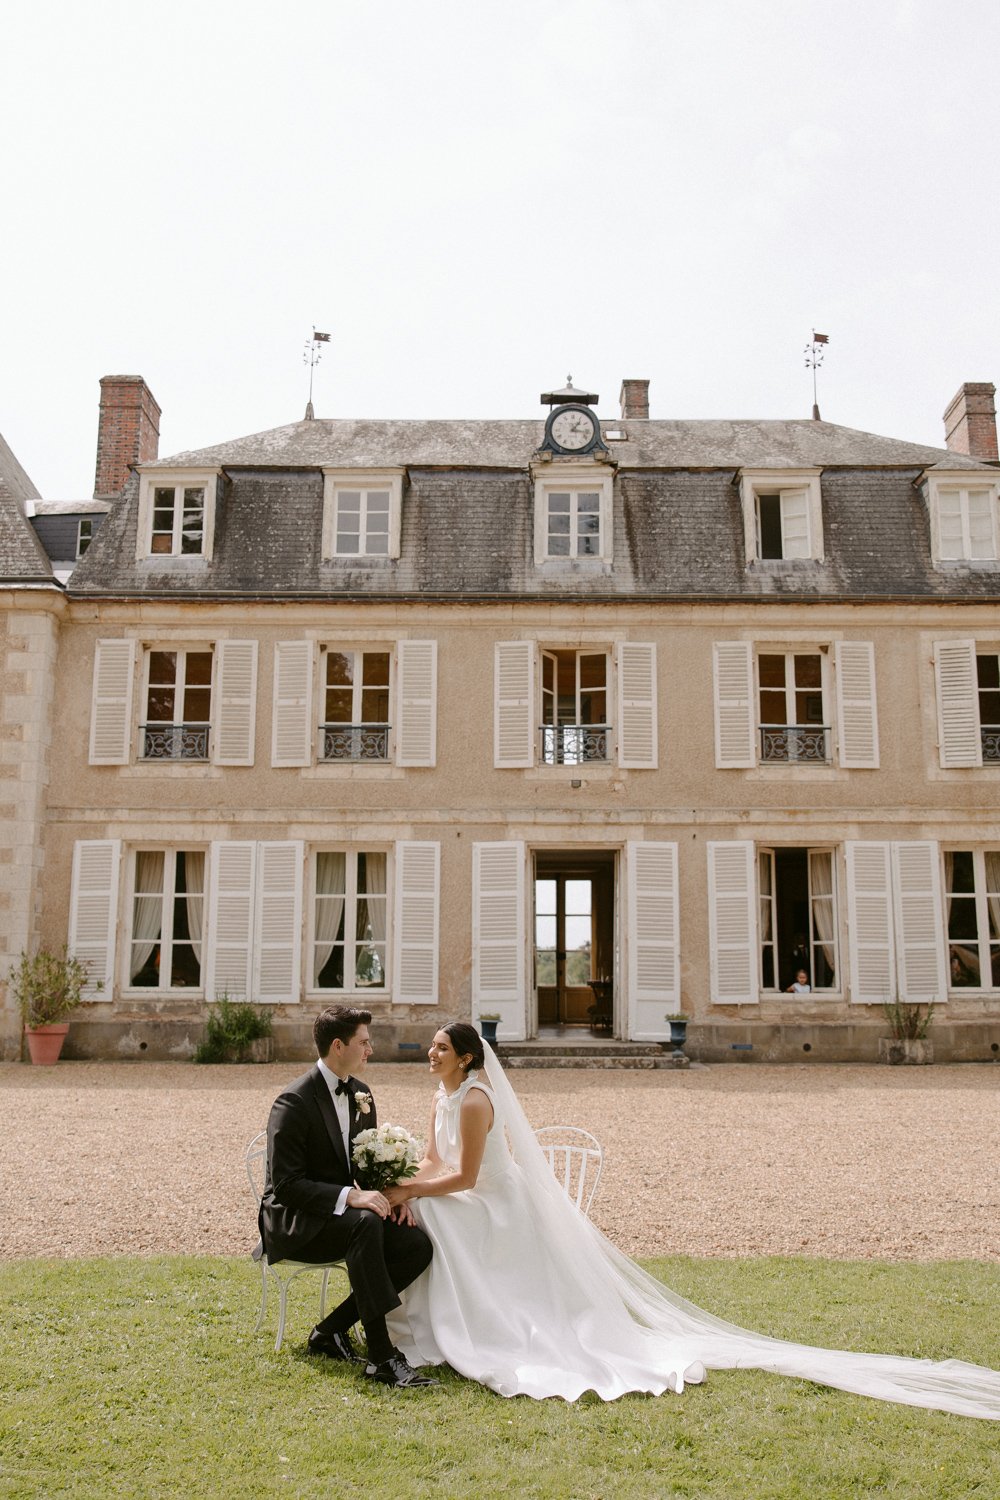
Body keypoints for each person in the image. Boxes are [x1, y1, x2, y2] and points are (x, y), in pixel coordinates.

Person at [382, 1023, 1000, 1417]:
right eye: (432, 1048)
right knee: (425, 1217)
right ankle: (427, 1326)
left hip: (497, 1203)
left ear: (466, 1058)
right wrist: (407, 1184)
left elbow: (464, 1176)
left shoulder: (478, 1098)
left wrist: (412, 1189)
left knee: (442, 1221)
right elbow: (437, 1160)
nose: (429, 1053)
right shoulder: (443, 1094)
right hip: (470, 1191)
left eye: (439, 1048)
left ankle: (458, 1329)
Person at [259, 1005, 437, 1388]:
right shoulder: (293, 1102)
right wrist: (349, 1197)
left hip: (340, 1217)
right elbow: (286, 1186)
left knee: (416, 1245)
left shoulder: (361, 1094)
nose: (370, 1049)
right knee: (365, 1223)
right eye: (364, 1042)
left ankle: (330, 1331)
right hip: (296, 1221)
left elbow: (362, 1167)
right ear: (338, 1046)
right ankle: (382, 1357)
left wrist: (394, 1194)